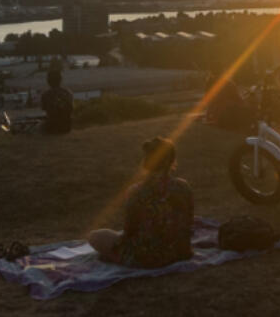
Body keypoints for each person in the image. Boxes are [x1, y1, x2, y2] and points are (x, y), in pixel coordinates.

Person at [88, 137, 193, 269]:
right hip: (180, 252)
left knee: (95, 236)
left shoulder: (136, 191)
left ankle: (115, 257)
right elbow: (188, 222)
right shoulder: (184, 187)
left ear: (146, 161)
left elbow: (129, 230)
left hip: (146, 257)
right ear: (172, 160)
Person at [41, 64, 74, 135]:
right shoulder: (68, 93)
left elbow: (44, 108)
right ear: (60, 80)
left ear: (48, 81)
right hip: (66, 127)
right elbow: (71, 109)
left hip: (52, 127)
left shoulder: (45, 95)